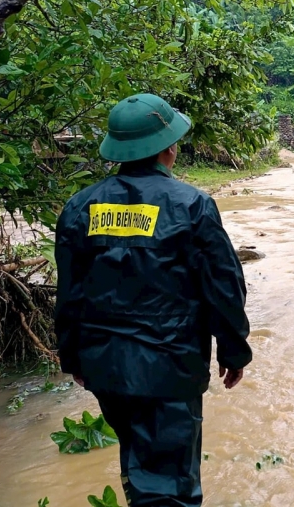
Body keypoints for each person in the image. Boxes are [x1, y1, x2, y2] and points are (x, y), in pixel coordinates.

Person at [54, 93, 252, 506]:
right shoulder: (192, 206)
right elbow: (223, 287)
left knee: (139, 462)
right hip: (169, 367)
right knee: (171, 487)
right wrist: (233, 351)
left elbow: (69, 293)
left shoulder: (79, 208)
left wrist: (72, 358)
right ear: (168, 148)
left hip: (105, 366)